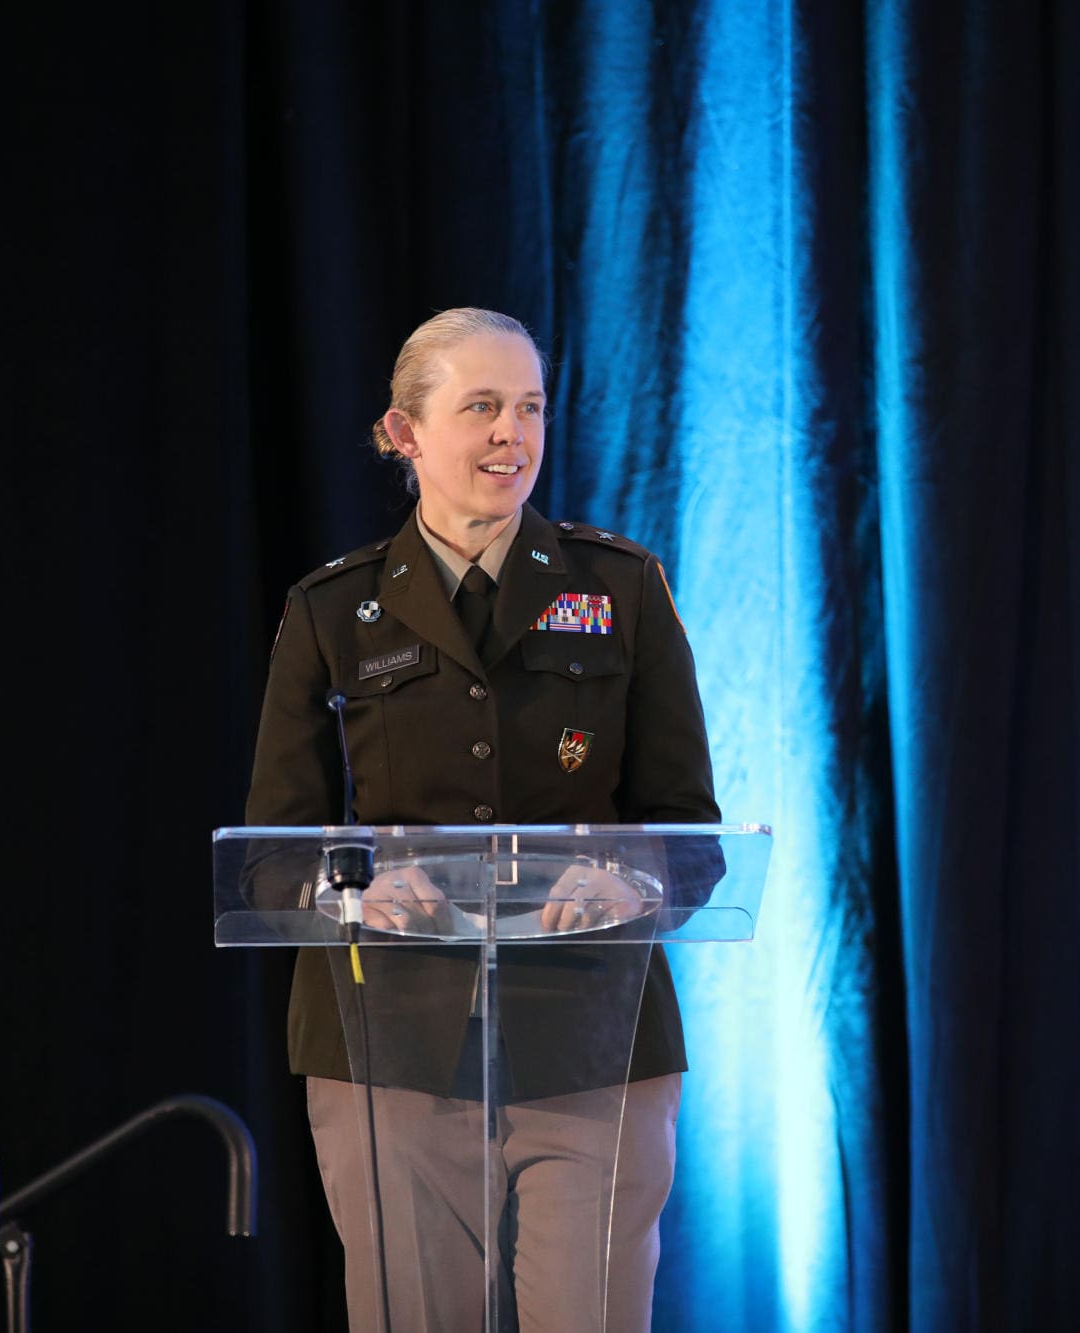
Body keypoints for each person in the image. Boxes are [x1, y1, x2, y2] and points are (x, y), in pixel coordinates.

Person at [244, 307, 720, 1330]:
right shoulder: (332, 610)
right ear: (405, 432)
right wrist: (356, 886)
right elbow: (272, 848)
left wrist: (634, 878)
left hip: (592, 1031)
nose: (513, 433)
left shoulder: (619, 591)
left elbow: (689, 830)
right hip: (391, 1040)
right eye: (483, 407)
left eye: (530, 407)